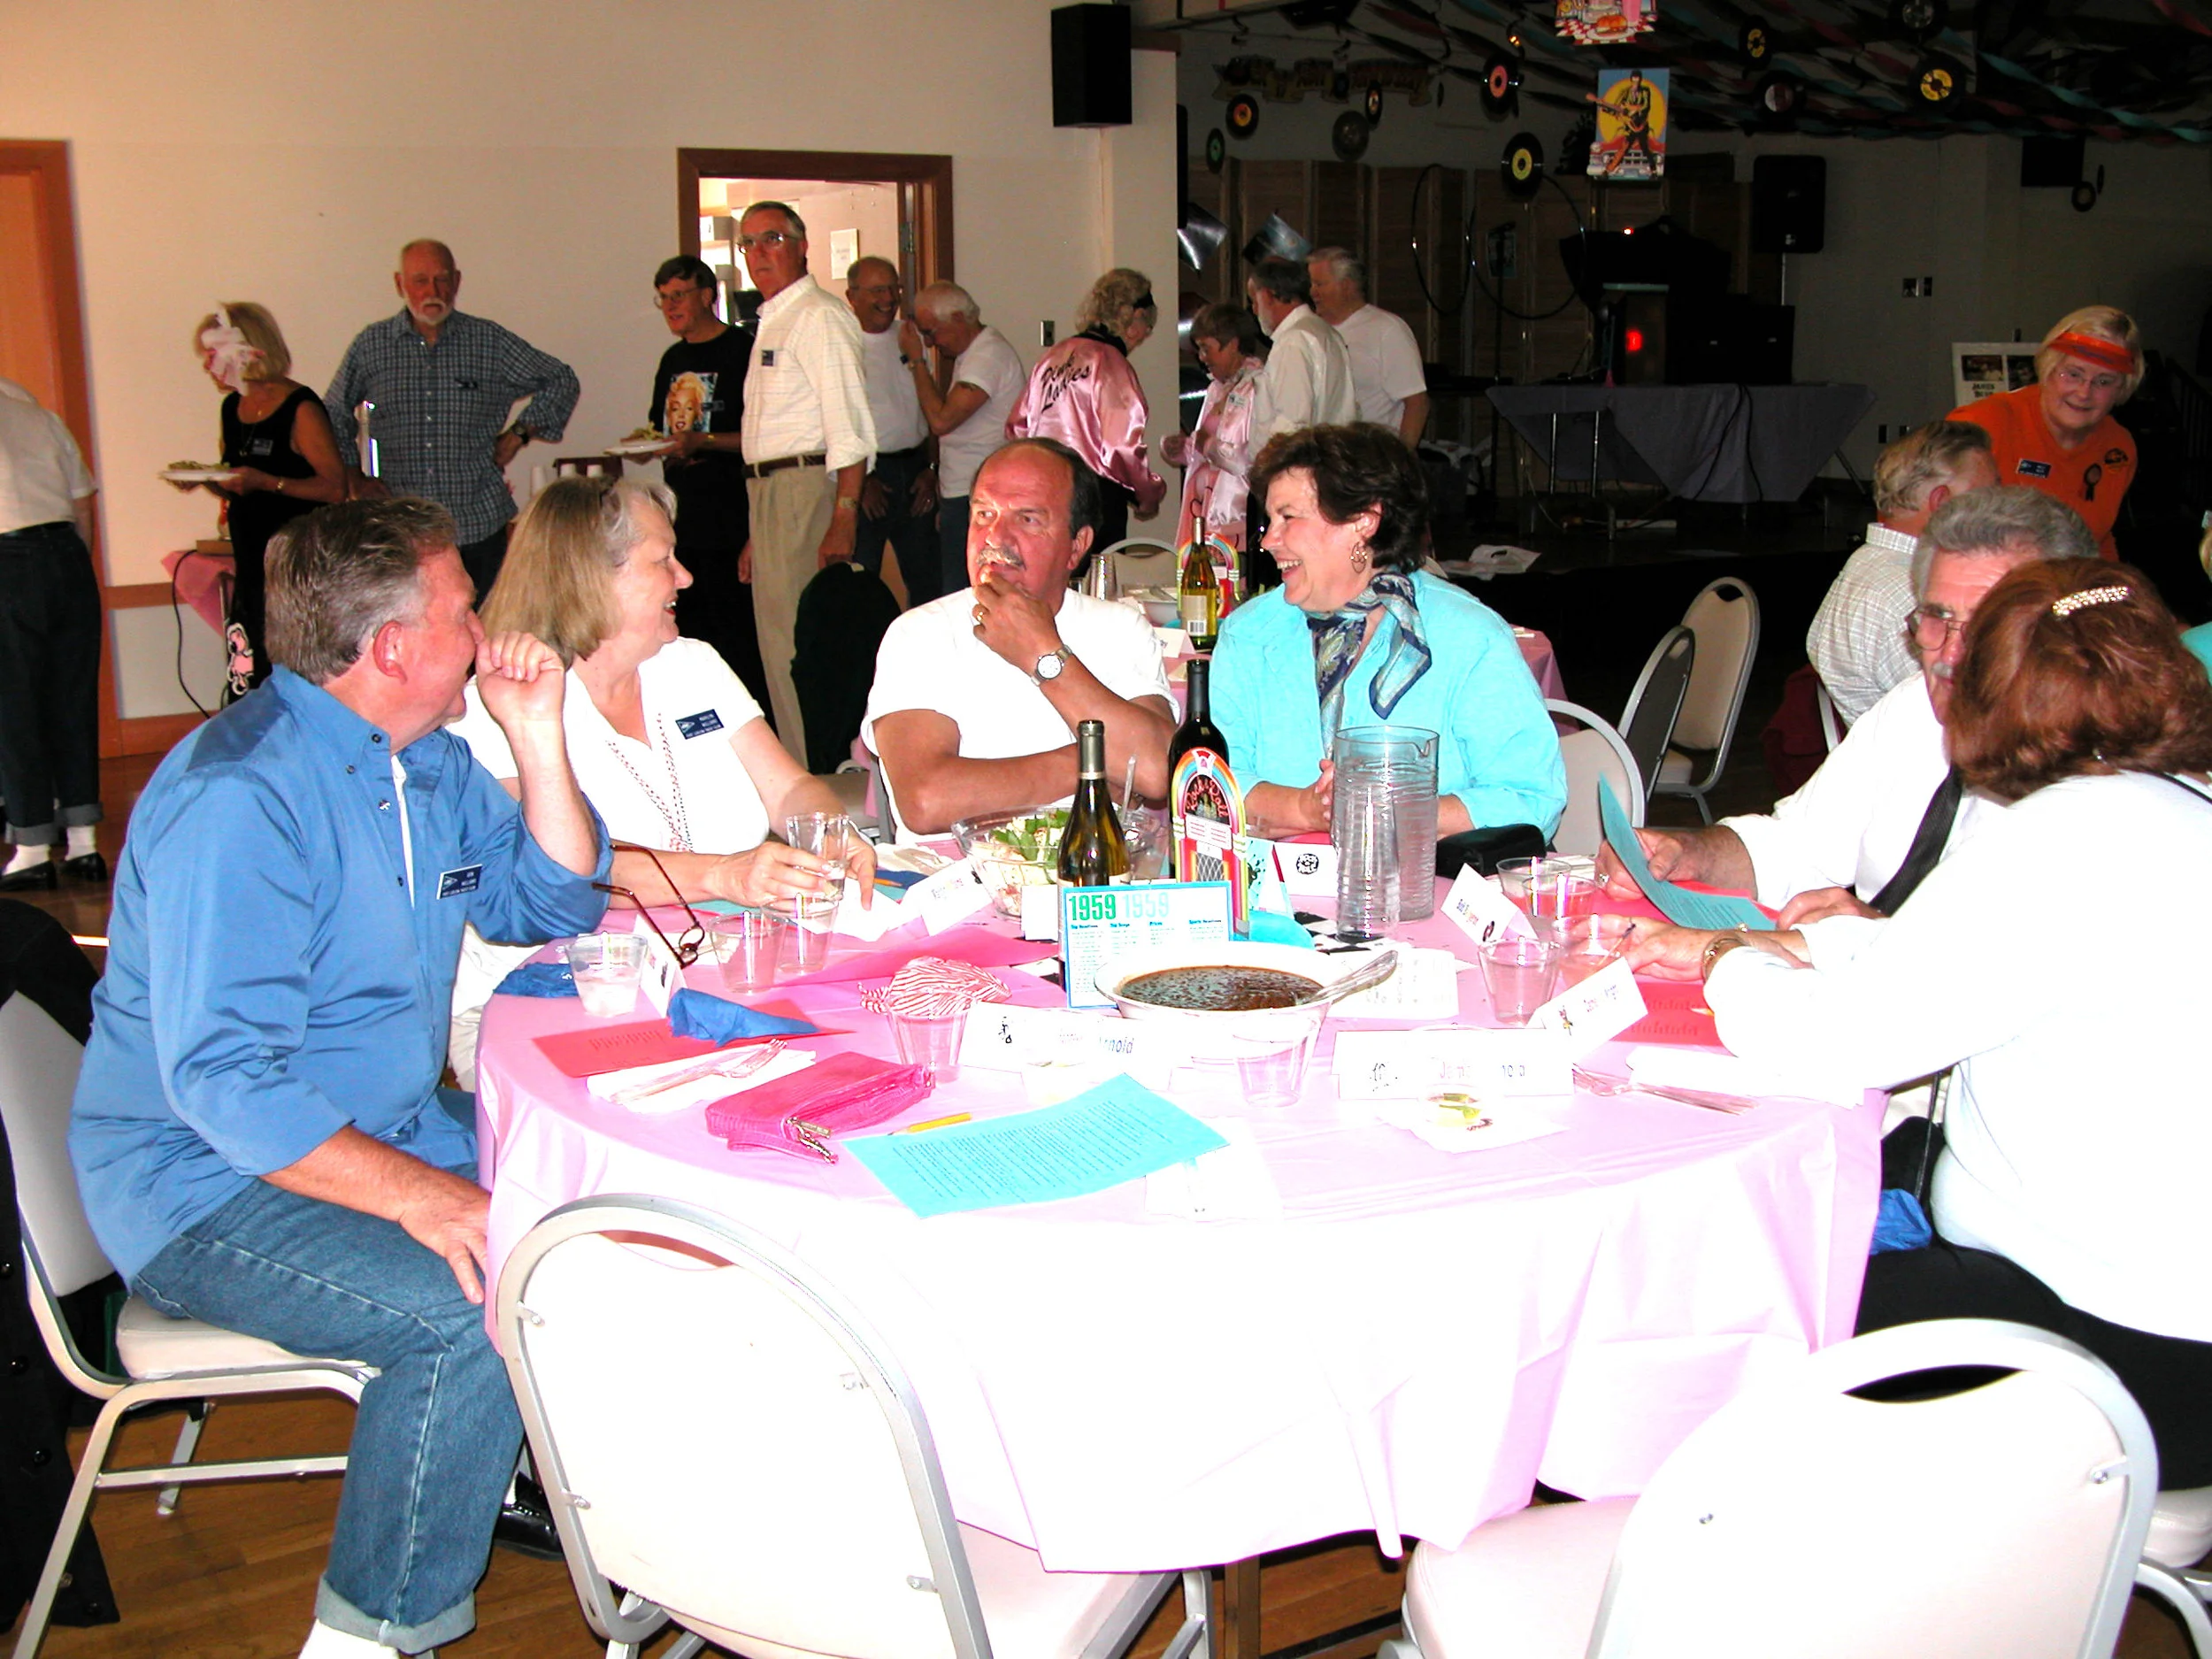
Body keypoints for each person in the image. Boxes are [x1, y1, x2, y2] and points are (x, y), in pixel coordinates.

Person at [69, 498, 608, 1659]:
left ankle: (567, 1486)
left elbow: (551, 901)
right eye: (465, 609)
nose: (487, 629)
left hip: (377, 1124)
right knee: (473, 1305)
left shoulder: (429, 765)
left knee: (605, 1186)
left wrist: (537, 733)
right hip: (200, 1180)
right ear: (395, 647)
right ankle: (370, 1636)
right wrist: (427, 1196)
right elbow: (226, 1085)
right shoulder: (241, 796)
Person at [1625, 557, 2212, 1486]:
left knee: (1721, 1300)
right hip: (2171, 1322)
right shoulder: (2177, 803)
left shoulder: (2055, 837)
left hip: (2108, 1345)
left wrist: (1726, 959)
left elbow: (1835, 1044)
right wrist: (1797, 948)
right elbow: (1960, 965)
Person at [447, 475, 872, 1083]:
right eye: (662, 561)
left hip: (711, 971)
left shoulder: (693, 664)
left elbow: (788, 788)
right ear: (591, 577)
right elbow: (566, 872)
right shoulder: (504, 703)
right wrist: (725, 873)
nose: (686, 577)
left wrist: (827, 832)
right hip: (554, 995)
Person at [1601, 487, 2096, 930]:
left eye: (1987, 625)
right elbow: (1797, 847)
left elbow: (2038, 966)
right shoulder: (1914, 707)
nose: (1950, 655)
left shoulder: (2095, 769)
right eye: (1937, 617)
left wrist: (1878, 936)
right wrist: (1688, 853)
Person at [1210, 424, 1564, 841]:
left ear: (1364, 521)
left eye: (1288, 517)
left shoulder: (1468, 637)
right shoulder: (1249, 633)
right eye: (1270, 520)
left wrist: (1398, 812)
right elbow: (1211, 781)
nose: (1269, 540)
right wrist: (1307, 809)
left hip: (1428, 878)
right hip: (1274, 880)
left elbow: (1531, 798)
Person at [863, 439, 1173, 839]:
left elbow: (1155, 770)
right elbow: (926, 801)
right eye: (984, 514)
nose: (996, 536)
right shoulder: (920, 633)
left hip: (1094, 872)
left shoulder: (1120, 629)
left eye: (1027, 519)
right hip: (957, 873)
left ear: (1076, 546)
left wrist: (1043, 654)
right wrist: (1093, 764)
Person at [325, 239, 580, 598]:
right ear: (400, 284)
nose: (432, 291)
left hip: (477, 526)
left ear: (457, 281)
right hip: (401, 531)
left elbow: (561, 379)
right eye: (420, 281)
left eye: (442, 279)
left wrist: (518, 435)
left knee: (486, 629)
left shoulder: (488, 341)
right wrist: (354, 477)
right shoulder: (372, 345)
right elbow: (333, 413)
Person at [734, 201, 876, 767]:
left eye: (771, 239)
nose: (758, 253)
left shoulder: (819, 316)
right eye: (748, 243)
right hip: (771, 495)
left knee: (802, 649)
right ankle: (799, 771)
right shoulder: (776, 318)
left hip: (804, 491)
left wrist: (844, 514)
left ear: (801, 245)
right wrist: (757, 530)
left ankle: (817, 775)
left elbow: (850, 428)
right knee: (777, 646)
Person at [177, 303, 346, 697]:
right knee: (250, 672)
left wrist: (267, 481)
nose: (208, 366)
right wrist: (208, 481)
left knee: (296, 676)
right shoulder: (231, 408)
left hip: (296, 571)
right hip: (252, 565)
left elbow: (334, 489)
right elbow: (242, 485)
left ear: (247, 350)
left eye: (213, 353)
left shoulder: (300, 407)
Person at [1807, 420, 1997, 725]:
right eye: (1989, 495)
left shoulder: (1867, 564)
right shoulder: (1910, 594)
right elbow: (1974, 718)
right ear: (1943, 503)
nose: (1999, 510)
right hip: (1928, 750)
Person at [645, 255, 766, 713]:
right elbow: (660, 429)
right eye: (663, 298)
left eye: (679, 295)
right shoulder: (672, 359)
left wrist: (704, 441)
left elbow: (760, 438)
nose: (670, 306)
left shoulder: (742, 351)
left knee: (739, 637)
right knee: (688, 634)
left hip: (733, 519)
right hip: (683, 521)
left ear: (707, 296)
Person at [0, 380, 104, 891]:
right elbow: (83, 503)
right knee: (72, 701)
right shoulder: (40, 416)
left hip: (6, 560)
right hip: (66, 555)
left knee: (14, 710)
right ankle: (84, 844)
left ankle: (32, 849)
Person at [1947, 305, 2139, 561]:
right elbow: (1931, 531)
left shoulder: (2118, 447)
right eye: (2073, 374)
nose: (2084, 392)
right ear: (2048, 368)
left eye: (2104, 381)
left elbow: (2099, 543)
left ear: (2123, 389)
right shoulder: (1982, 424)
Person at [1005, 268, 1165, 555]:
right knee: (1097, 578)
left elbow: (1017, 427)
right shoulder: (1111, 363)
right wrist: (1147, 493)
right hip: (1095, 499)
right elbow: (1121, 447)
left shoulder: (1053, 357)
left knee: (1055, 572)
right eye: (1147, 326)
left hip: (1046, 491)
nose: (1145, 335)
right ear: (1135, 318)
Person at [900, 280, 1028, 603]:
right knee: (952, 590)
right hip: (961, 492)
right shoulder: (971, 354)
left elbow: (942, 421)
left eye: (931, 332)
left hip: (978, 494)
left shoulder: (988, 355)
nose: (929, 342)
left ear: (958, 318)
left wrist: (917, 361)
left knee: (962, 594)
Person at [1245, 258, 1356, 585]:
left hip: (1296, 479)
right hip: (1328, 472)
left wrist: (1268, 479)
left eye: (1254, 300)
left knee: (1285, 579)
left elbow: (1291, 423)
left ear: (1269, 295)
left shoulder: (1294, 340)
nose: (1254, 310)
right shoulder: (1325, 333)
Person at [844, 257, 938, 605]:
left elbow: (930, 406)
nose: (888, 298)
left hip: (915, 471)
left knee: (928, 582)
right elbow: (836, 423)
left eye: (894, 288)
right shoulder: (843, 344)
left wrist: (932, 469)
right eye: (878, 290)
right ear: (852, 296)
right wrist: (861, 481)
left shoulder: (909, 337)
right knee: (861, 581)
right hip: (869, 475)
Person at [1163, 303, 1265, 557]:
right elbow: (1202, 450)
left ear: (1232, 344)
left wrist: (1206, 445)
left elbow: (1248, 460)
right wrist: (1180, 449)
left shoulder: (1258, 388)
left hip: (1235, 513)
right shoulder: (1216, 389)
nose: (1201, 357)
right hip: (1203, 509)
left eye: (1206, 348)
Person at [1306, 249, 1428, 446]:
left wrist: (1402, 456)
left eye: (1319, 284)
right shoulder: (1310, 330)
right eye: (1311, 284)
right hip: (1323, 454)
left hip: (1371, 455)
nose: (1313, 292)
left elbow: (1416, 402)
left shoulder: (1386, 329)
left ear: (1346, 285)